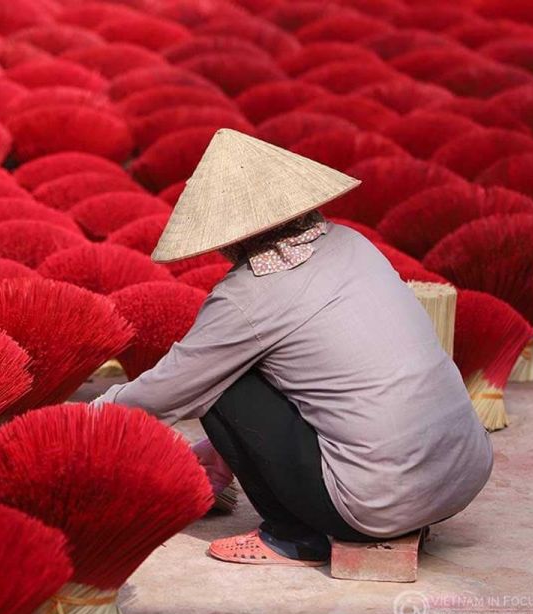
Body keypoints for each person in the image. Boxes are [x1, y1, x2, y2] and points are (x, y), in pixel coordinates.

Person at [93, 129, 493, 567]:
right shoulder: (353, 245)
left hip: (371, 506)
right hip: (461, 477)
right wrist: (221, 448)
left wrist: (82, 418)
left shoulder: (249, 295)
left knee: (220, 384)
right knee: (265, 360)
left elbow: (169, 389)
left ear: (230, 236)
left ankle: (294, 536)